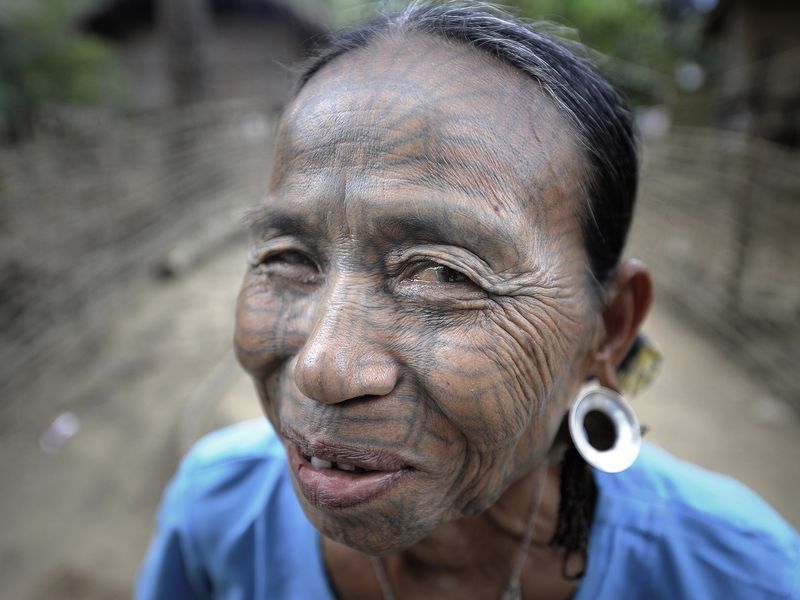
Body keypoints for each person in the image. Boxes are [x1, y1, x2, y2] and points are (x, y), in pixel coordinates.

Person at [136, 4, 800, 599]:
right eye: (286, 258)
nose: (322, 368)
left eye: (444, 273)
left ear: (610, 326)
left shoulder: (743, 577)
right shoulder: (216, 513)